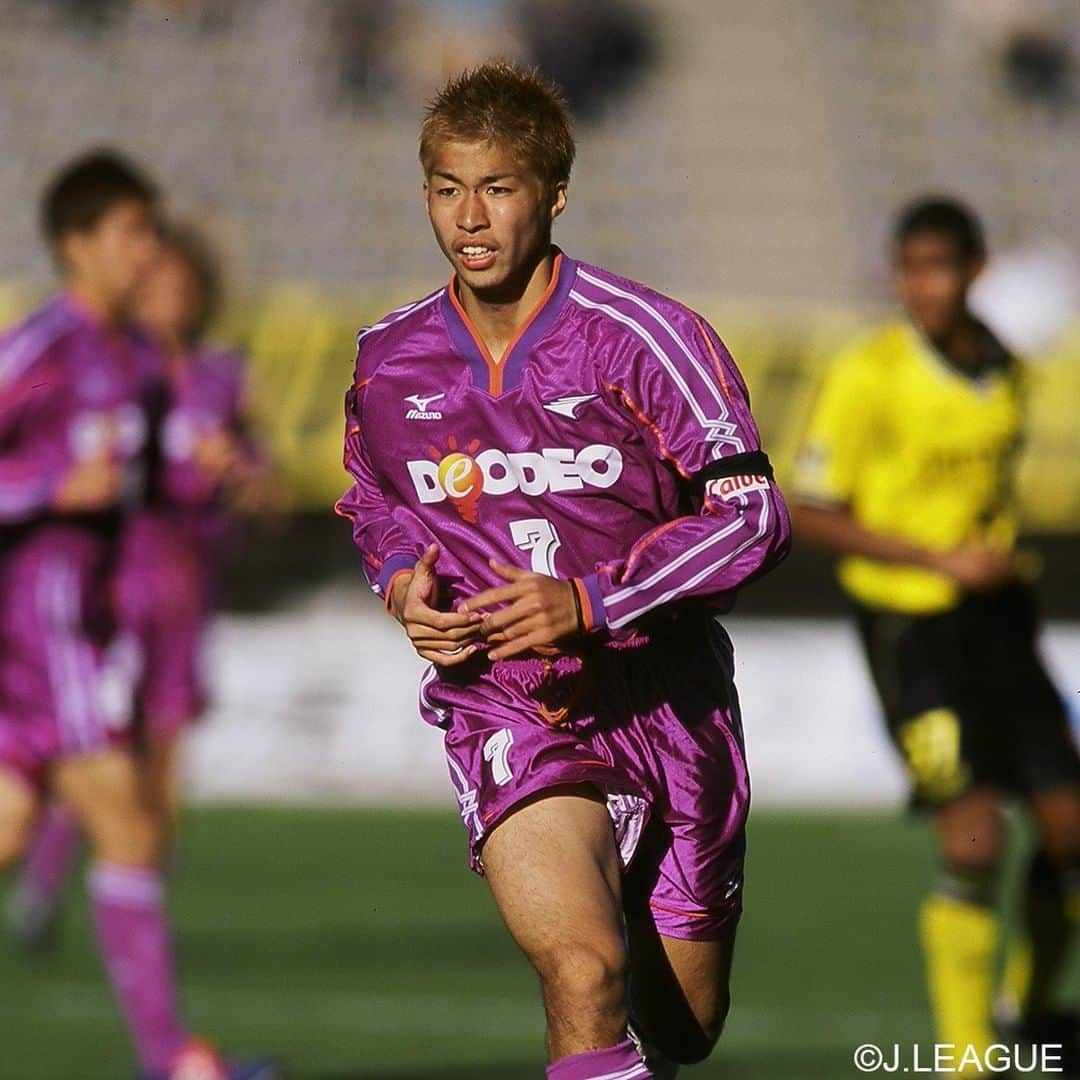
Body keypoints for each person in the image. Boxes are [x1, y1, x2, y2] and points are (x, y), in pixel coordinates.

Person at [336, 63, 790, 1078]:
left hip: (667, 696)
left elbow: (755, 516)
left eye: (498, 187)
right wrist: (404, 579)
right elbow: (375, 495)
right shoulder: (389, 358)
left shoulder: (647, 339)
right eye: (447, 188)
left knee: (681, 1028)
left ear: (553, 194)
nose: (470, 217)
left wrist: (591, 600)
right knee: (584, 973)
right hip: (509, 700)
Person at [0, 150, 273, 1080]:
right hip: (40, 627)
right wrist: (45, 485)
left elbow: (152, 482)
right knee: (130, 827)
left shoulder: (133, 362)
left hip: (85, 623)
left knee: (7, 827)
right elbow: (48, 481)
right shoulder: (39, 346)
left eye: (152, 233)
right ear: (77, 245)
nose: (147, 251)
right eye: (131, 233)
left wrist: (219, 474)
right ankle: (177, 1063)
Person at [791, 196, 1080, 1072]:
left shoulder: (1007, 370)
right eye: (909, 269)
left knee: (1071, 830)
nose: (923, 287)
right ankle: (965, 1056)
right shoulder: (868, 373)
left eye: (939, 268)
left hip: (999, 625)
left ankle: (1025, 1010)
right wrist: (936, 560)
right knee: (975, 835)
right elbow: (811, 509)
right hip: (910, 630)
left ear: (975, 270)